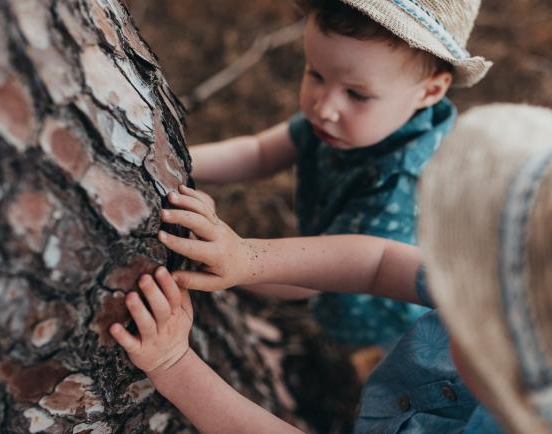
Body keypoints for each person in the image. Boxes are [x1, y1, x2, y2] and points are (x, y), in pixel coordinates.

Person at [110, 104, 552, 433]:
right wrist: (247, 258)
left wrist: (174, 365)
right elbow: (379, 264)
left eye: (474, 311)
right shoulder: (506, 287)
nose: (453, 294)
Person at [190, 0, 492, 349]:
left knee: (378, 362)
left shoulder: (398, 183)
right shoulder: (352, 119)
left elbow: (315, 277)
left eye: (356, 94)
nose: (324, 107)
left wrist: (232, 262)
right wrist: (183, 161)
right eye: (315, 74)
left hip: (380, 308)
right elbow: (260, 153)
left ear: (430, 92)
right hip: (326, 259)